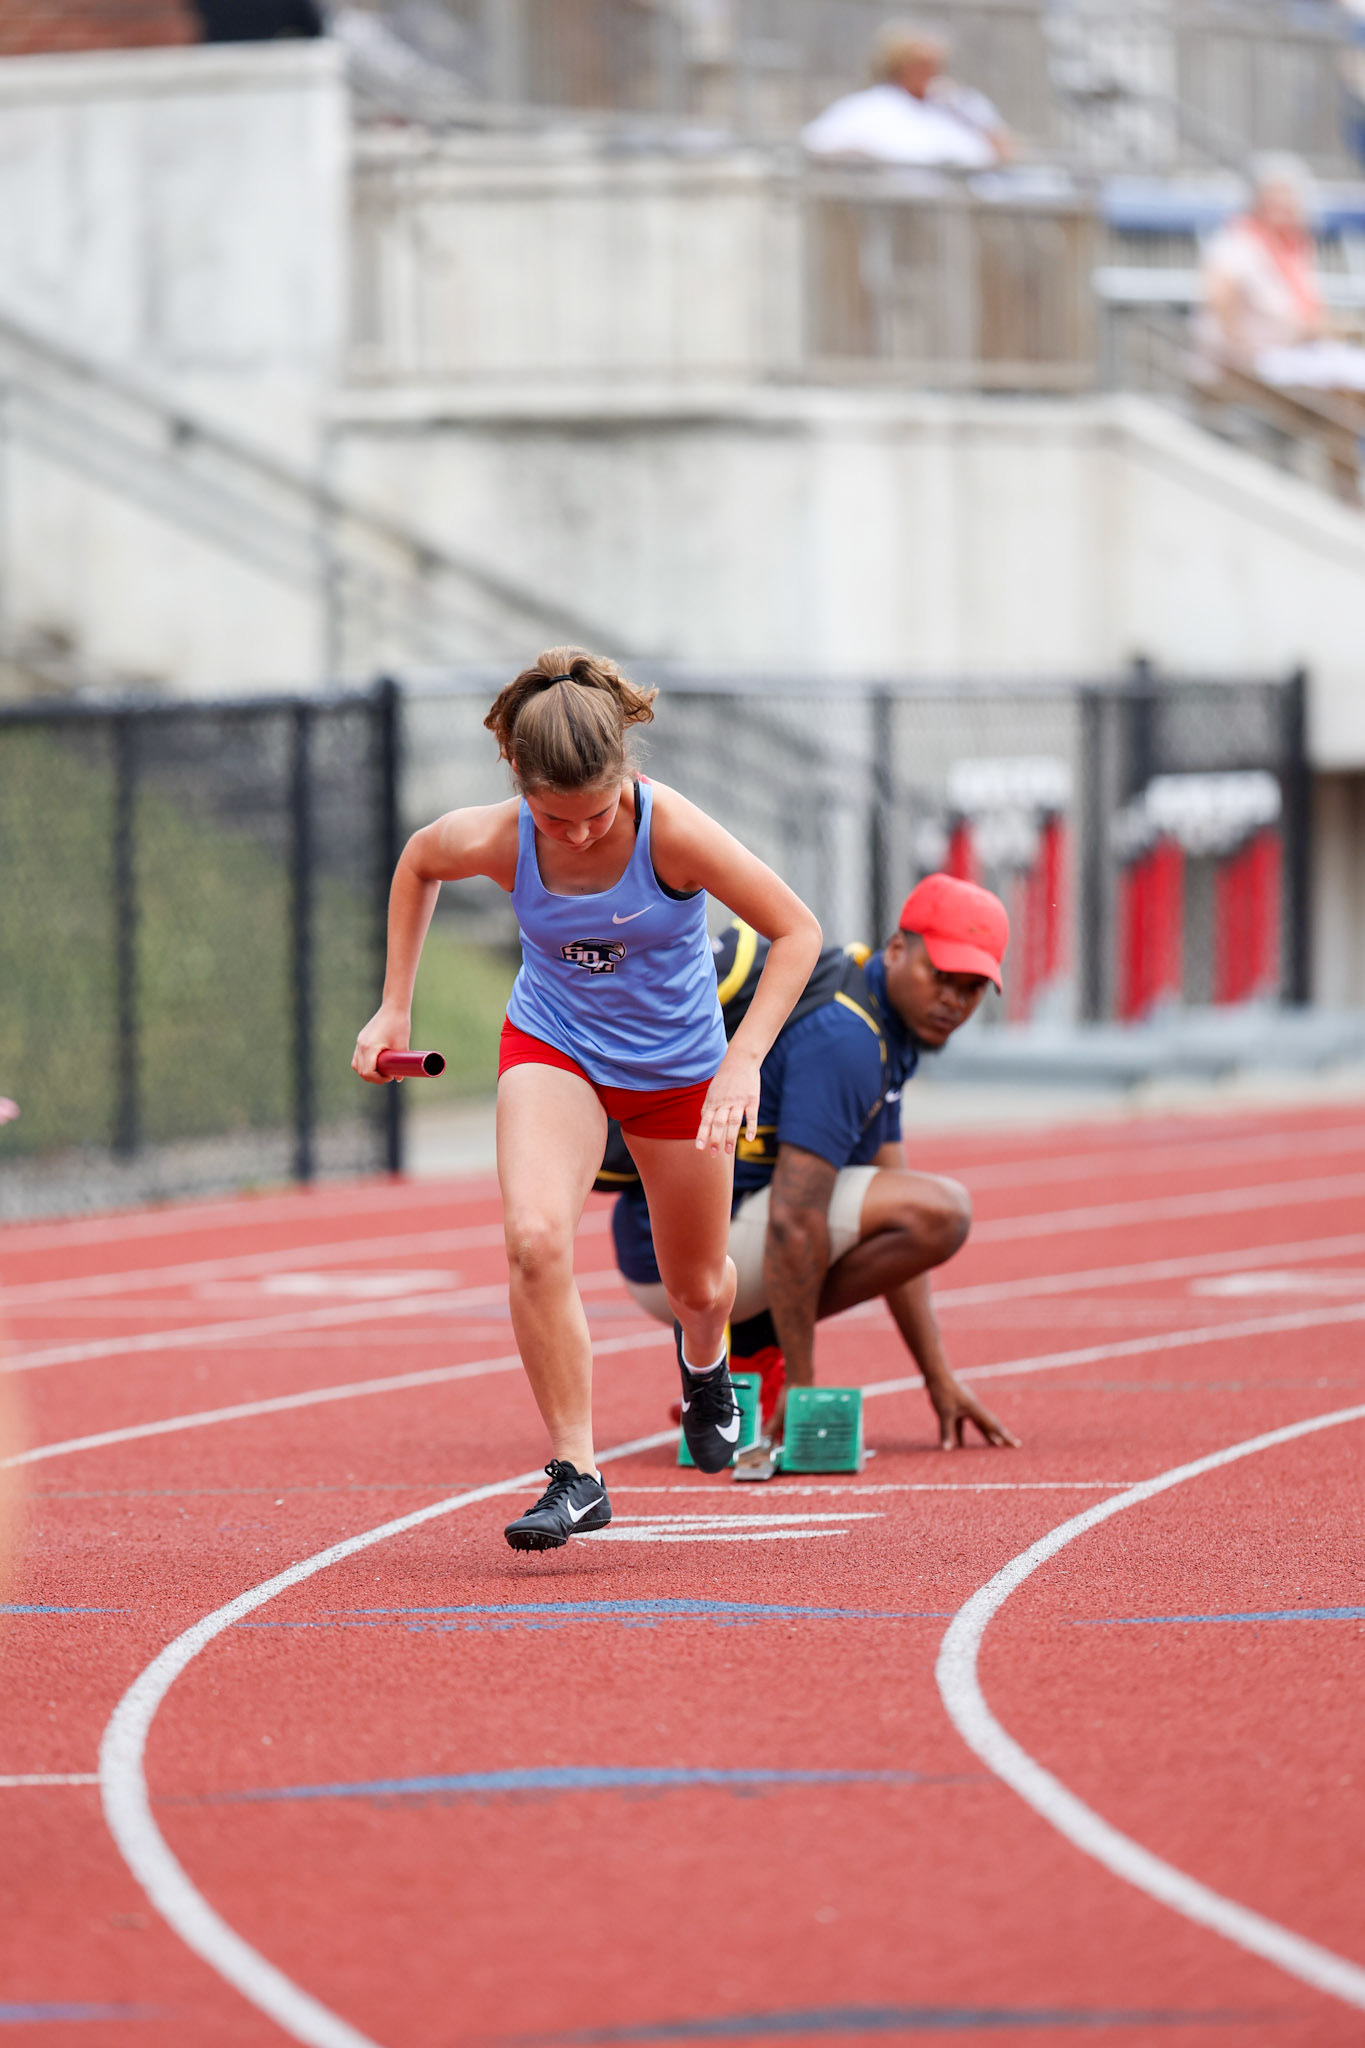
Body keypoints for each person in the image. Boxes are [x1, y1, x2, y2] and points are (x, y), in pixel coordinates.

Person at [353, 649, 822, 1550]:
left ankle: (705, 1361)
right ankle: (577, 1473)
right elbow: (419, 862)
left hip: (679, 1068)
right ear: (517, 784)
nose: (572, 836)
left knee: (697, 1283)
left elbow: (795, 931)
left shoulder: (671, 832)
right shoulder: (499, 836)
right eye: (551, 818)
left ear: (627, 775)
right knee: (532, 1241)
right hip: (553, 1046)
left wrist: (743, 1061)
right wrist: (393, 1002)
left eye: (594, 815)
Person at [610, 873, 1019, 1473]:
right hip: (676, 1254)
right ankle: (749, 1354)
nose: (954, 1000)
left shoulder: (874, 1006)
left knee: (917, 1214)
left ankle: (745, 1350)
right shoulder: (849, 1034)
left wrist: (939, 1378)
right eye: (943, 976)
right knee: (941, 1212)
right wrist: (802, 1389)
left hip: (683, 1232)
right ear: (897, 949)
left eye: (973, 987)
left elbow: (886, 1193)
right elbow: (795, 1223)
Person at [1196, 154, 1365, 391]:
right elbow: (1220, 304)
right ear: (1257, 201)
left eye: (1288, 197)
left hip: (1296, 355)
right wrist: (1244, 354)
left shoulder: (1294, 247)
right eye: (1274, 198)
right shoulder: (1237, 244)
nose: (1282, 206)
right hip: (1254, 363)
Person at [801, 20, 1012, 171]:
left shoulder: (962, 103)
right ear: (897, 65)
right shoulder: (869, 107)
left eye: (936, 64)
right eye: (921, 64)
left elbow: (1004, 149)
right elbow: (819, 145)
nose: (931, 72)